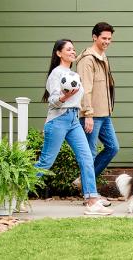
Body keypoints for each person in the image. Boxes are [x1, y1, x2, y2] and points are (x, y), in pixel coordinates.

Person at [33, 38, 111, 215]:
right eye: (68, 49)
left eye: (73, 49)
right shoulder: (56, 74)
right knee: (46, 162)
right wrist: (65, 97)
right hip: (58, 120)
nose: (73, 52)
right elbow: (53, 101)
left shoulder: (74, 75)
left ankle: (91, 201)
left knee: (86, 157)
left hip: (74, 120)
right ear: (59, 53)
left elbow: (80, 98)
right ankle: (17, 191)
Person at [76, 21, 119, 202]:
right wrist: (88, 114)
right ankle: (90, 195)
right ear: (94, 37)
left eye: (109, 39)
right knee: (90, 154)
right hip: (92, 115)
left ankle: (84, 181)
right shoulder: (87, 59)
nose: (107, 41)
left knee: (113, 147)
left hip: (104, 113)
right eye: (104, 38)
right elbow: (85, 89)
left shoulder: (103, 57)